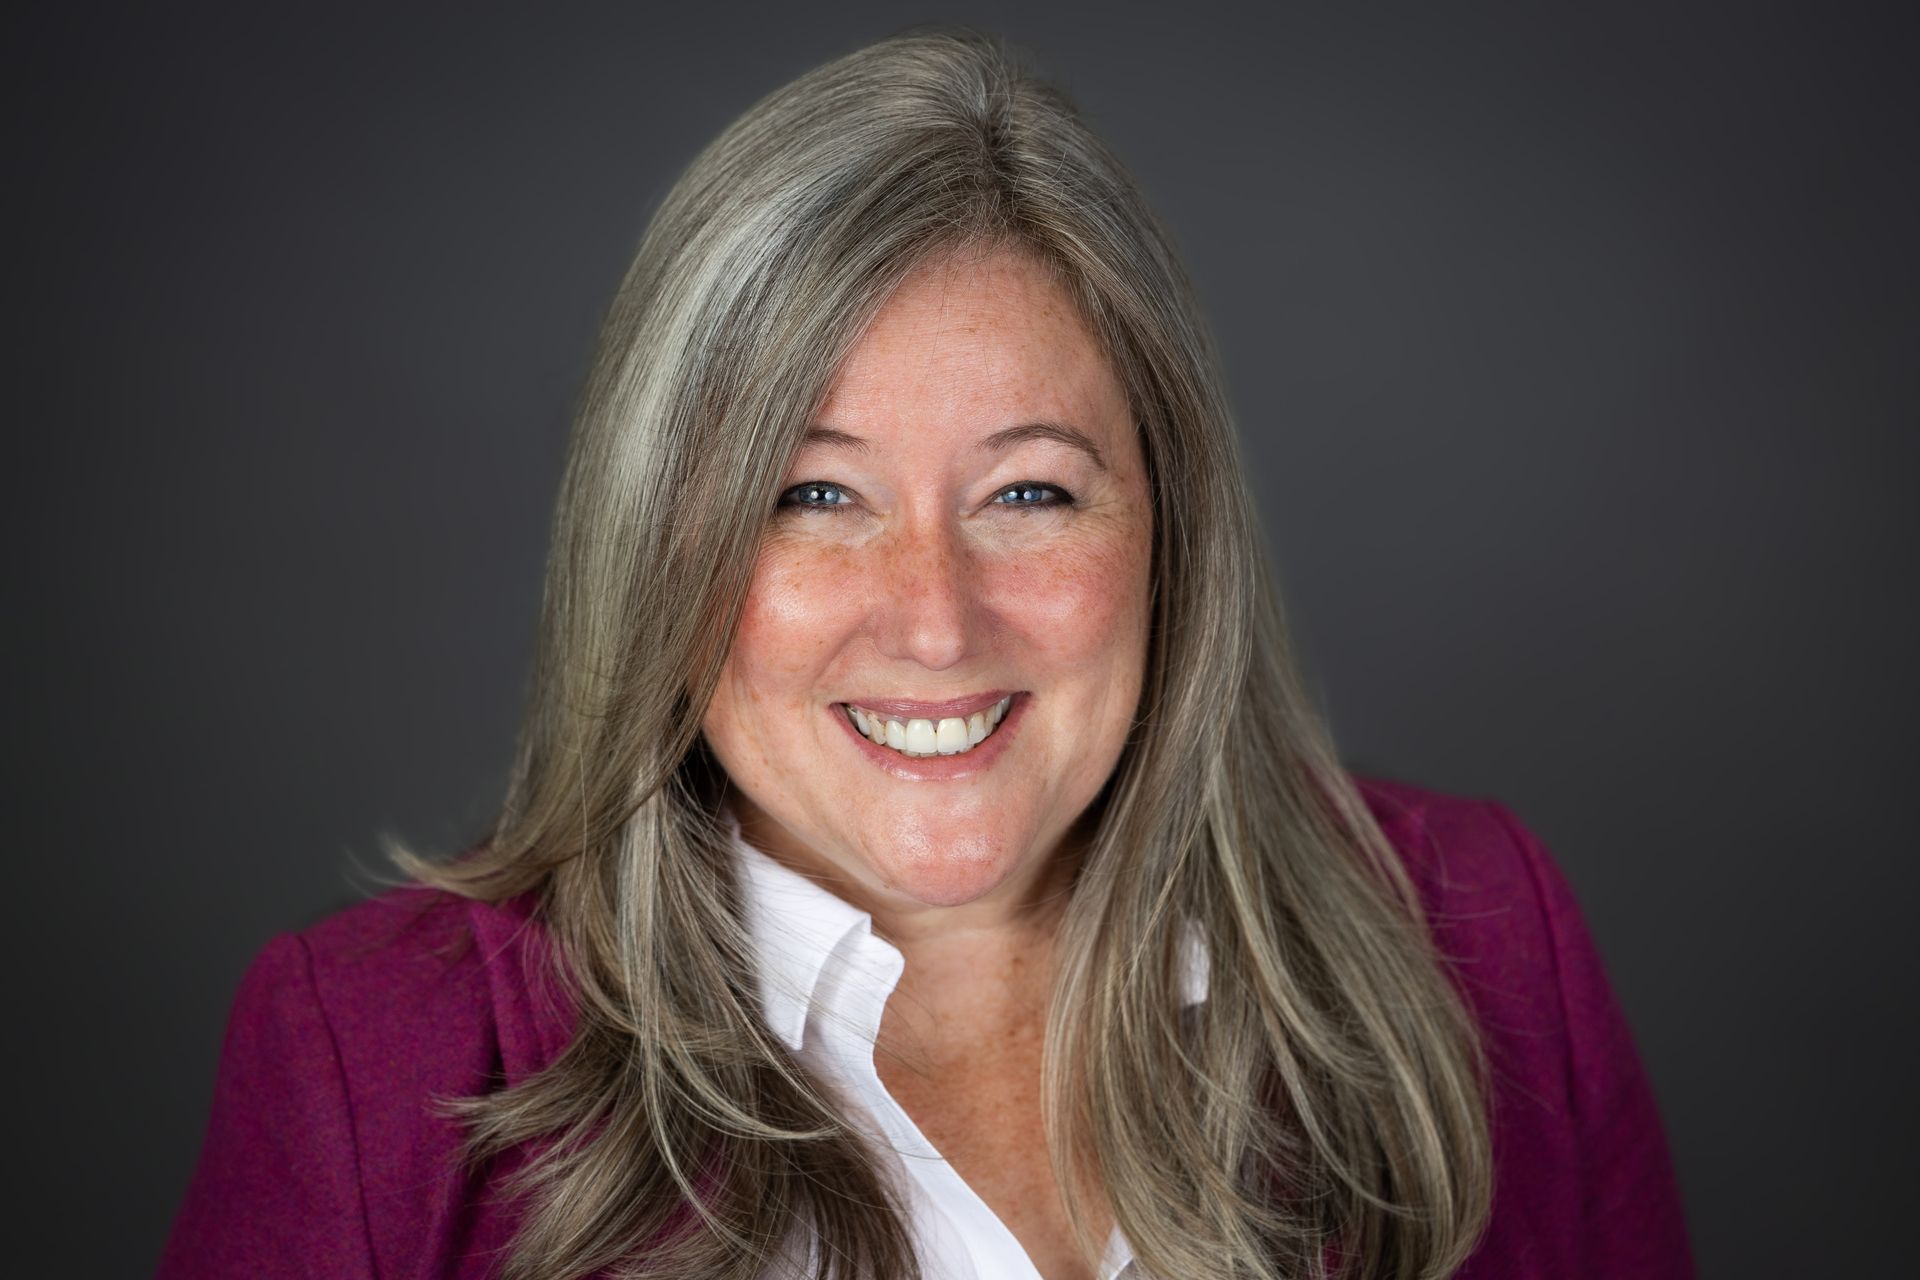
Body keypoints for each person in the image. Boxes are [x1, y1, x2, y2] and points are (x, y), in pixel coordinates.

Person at [157, 26, 1693, 1280]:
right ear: (658, 545)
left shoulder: (1484, 941)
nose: (937, 620)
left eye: (1030, 493)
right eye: (813, 498)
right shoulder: (373, 1067)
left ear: (1172, 524)